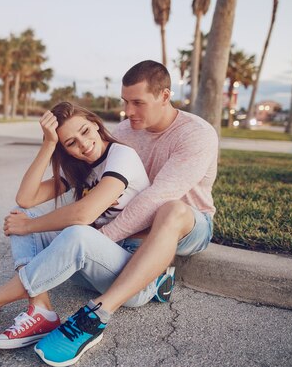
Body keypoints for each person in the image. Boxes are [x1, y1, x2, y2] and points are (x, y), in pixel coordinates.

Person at [0, 101, 175, 350]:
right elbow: (26, 198)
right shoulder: (80, 167)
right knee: (21, 214)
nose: (83, 145)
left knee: (73, 231)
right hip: (97, 264)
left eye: (85, 132)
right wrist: (48, 144)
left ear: (96, 125)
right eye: (70, 143)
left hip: (134, 277)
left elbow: (83, 214)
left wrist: (28, 227)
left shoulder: (122, 156)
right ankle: (40, 309)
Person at [34, 60, 219, 366]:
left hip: (187, 225)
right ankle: (153, 278)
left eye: (138, 103)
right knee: (56, 242)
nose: (128, 111)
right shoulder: (125, 131)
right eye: (125, 102)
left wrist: (100, 238)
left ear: (164, 96)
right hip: (130, 230)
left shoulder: (196, 134)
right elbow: (90, 179)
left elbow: (156, 197)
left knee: (170, 209)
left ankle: (96, 316)